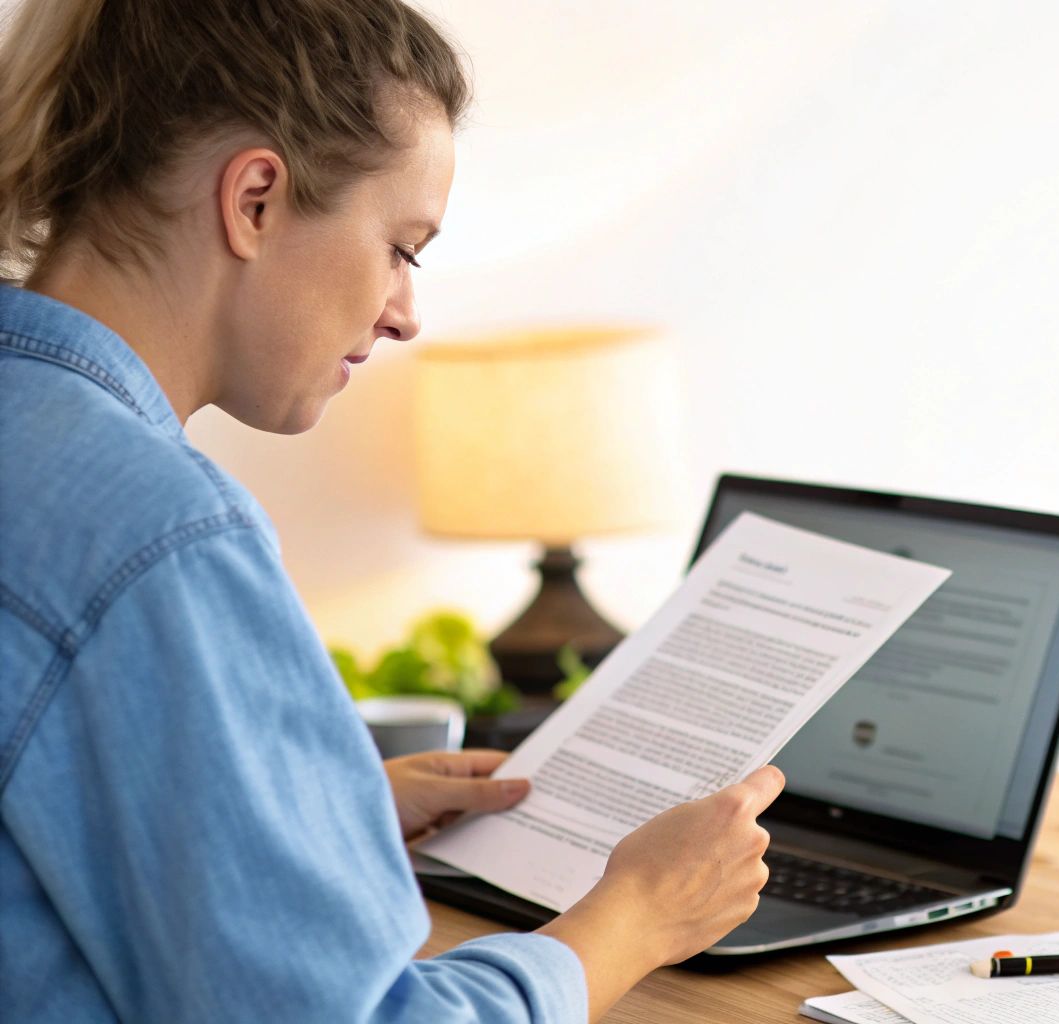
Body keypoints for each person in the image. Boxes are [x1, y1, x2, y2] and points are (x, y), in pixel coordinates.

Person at [0, 0, 781, 1020]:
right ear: (255, 201)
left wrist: (324, 818)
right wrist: (634, 917)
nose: (406, 313)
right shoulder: (160, 540)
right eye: (403, 247)